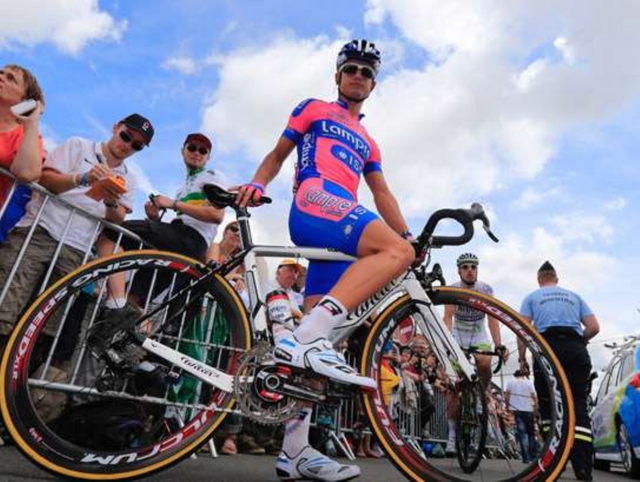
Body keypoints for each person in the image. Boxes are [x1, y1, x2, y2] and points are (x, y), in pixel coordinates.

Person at [237, 39, 415, 481]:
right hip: (315, 200)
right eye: (351, 68)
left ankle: (294, 453)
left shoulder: (369, 140)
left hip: (341, 230)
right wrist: (257, 184)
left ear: (373, 84)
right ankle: (303, 338)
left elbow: (381, 192)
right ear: (338, 75)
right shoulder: (314, 108)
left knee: (320, 350)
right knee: (395, 252)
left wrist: (410, 233)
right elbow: (278, 154)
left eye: (367, 72)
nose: (358, 75)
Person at [0, 113, 152, 348]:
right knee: (6, 302)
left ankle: (13, 380)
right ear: (115, 127)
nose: (128, 145)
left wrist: (111, 201)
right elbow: (45, 179)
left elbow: (118, 218)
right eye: (126, 136)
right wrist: (82, 178)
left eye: (137, 145)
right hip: (40, 230)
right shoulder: (78, 145)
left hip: (77, 248)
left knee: (45, 326)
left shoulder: (130, 179)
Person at [94, 132, 225, 323]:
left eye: (203, 150)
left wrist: (173, 204)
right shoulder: (183, 188)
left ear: (208, 157)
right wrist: (154, 217)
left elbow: (216, 215)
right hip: (179, 244)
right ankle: (130, 344)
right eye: (192, 148)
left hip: (190, 240)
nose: (197, 152)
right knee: (134, 298)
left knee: (111, 232)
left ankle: (115, 305)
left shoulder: (212, 176)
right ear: (183, 150)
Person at [519, 261, 600, 481]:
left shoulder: (532, 297)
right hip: (575, 350)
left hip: (547, 350)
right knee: (577, 404)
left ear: (539, 279)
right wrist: (578, 342)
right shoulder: (574, 296)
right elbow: (594, 327)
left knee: (549, 407)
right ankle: (583, 467)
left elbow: (522, 329)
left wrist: (522, 359)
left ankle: (553, 463)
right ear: (556, 278)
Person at [443, 252, 507, 454]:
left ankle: (481, 392)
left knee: (485, 362)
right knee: (455, 388)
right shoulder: (452, 289)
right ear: (459, 270)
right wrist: (448, 342)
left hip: (479, 334)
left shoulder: (486, 289)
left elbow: (493, 319)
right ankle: (452, 436)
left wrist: (498, 344)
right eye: (465, 267)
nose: (470, 270)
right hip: (459, 335)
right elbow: (448, 317)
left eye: (473, 267)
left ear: (477, 270)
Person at [0, 64, 46, 239]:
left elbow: (27, 174)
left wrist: (31, 124)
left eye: (11, 78)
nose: (1, 76)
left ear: (25, 101)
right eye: (1, 72)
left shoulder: (25, 135)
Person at [265, 258, 304, 343]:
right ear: (278, 271)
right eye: (290, 270)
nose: (293, 274)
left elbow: (299, 315)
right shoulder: (266, 287)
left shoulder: (291, 293)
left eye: (296, 272)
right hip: (273, 338)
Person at [505, 369, 538, 463]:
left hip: (517, 410)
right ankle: (533, 456)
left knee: (522, 434)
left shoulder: (510, 382)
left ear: (515, 375)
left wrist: (507, 407)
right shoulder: (529, 382)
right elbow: (533, 396)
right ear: (524, 375)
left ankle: (526, 458)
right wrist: (536, 408)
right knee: (531, 434)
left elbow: (507, 395)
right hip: (529, 410)